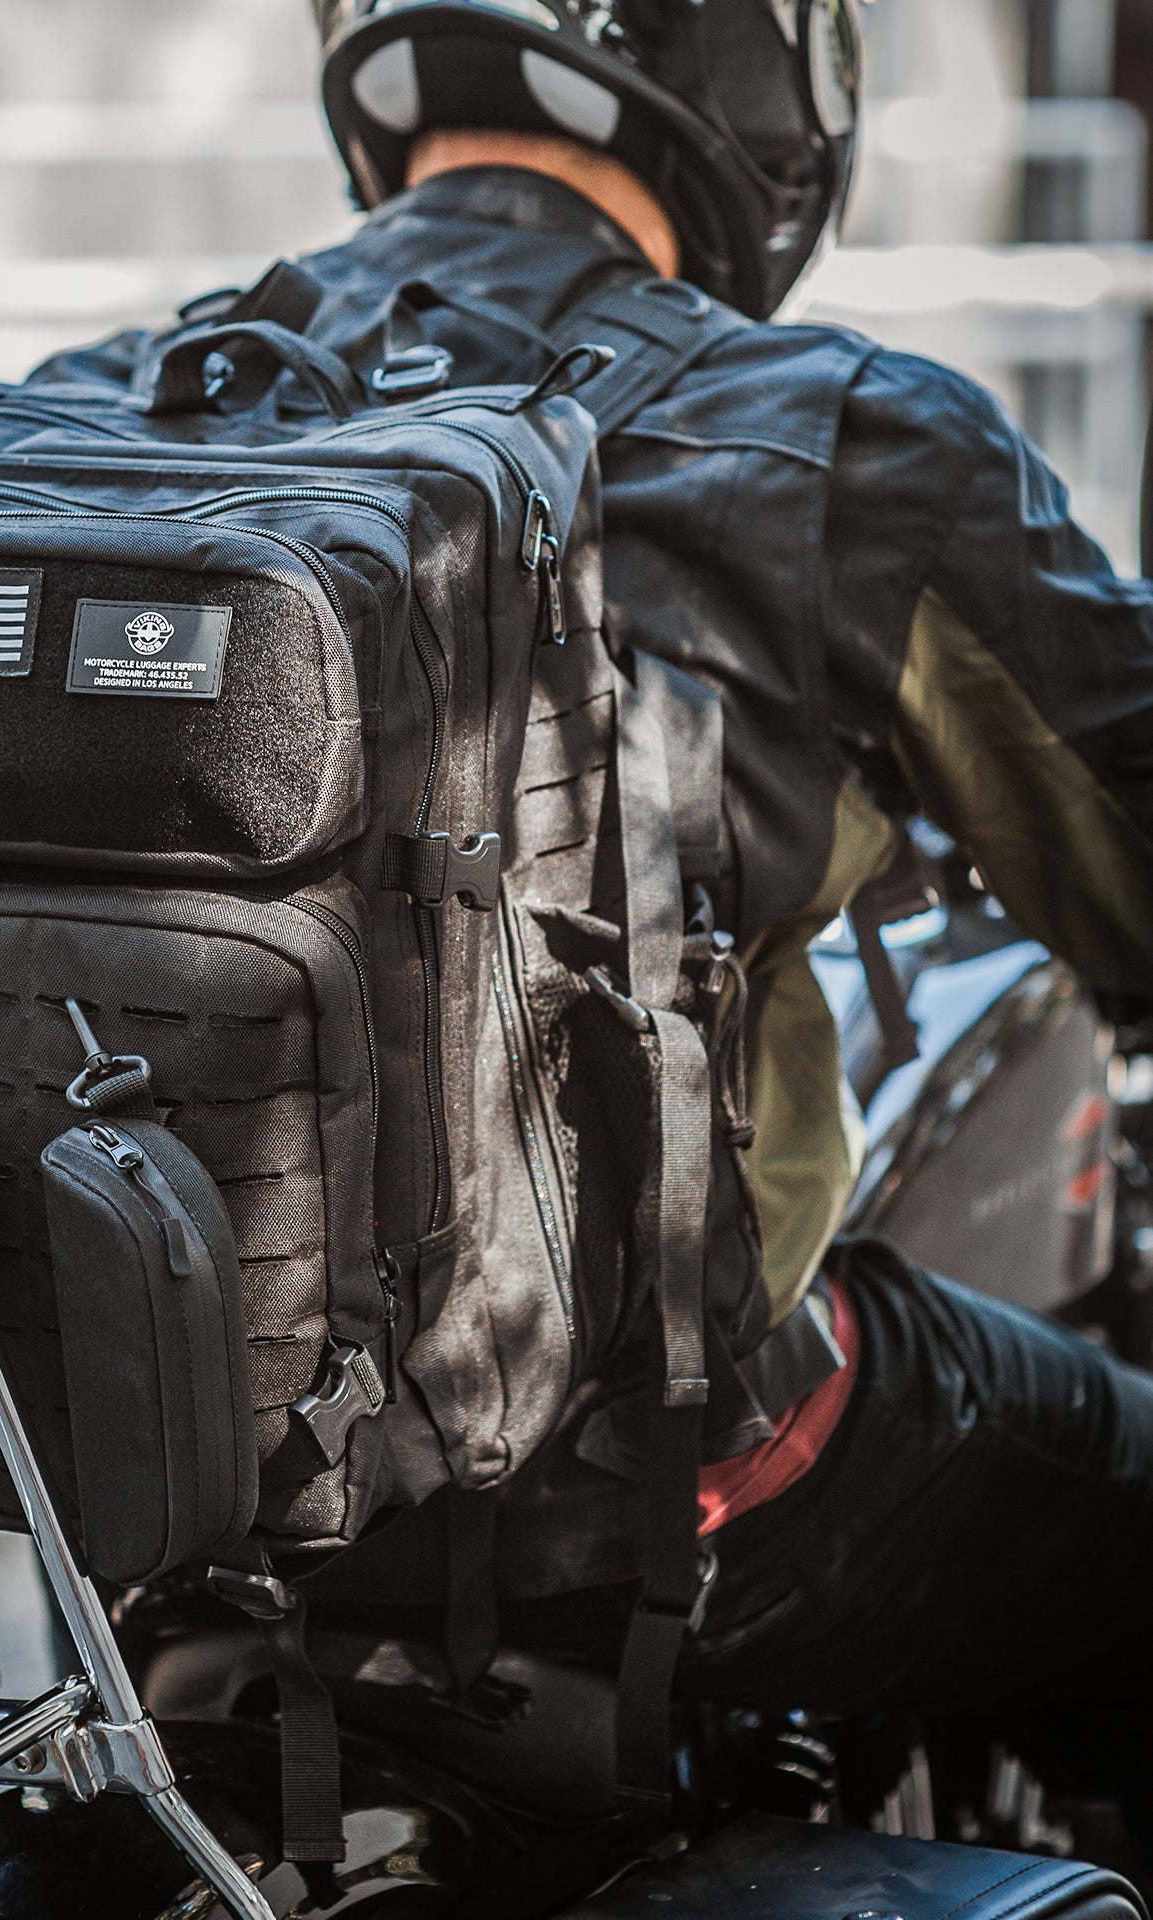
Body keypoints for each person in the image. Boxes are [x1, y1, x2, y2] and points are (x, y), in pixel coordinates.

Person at [233, 0, 1153, 1792]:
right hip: (651, 1506)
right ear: (765, 67)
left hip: (161, 1486)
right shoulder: (837, 443)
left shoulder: (133, 403)